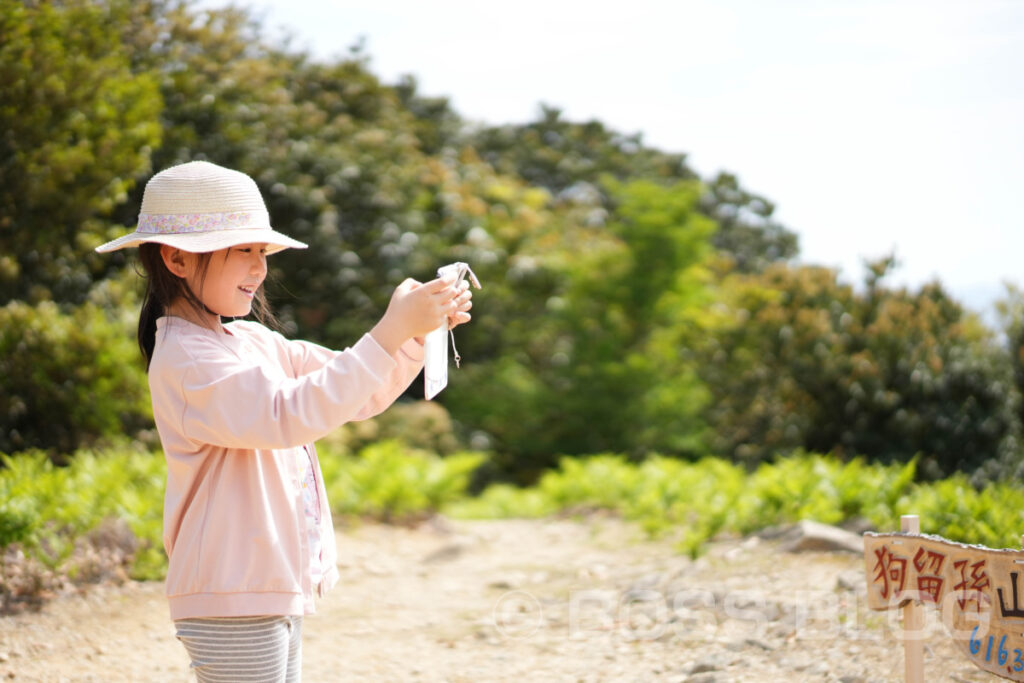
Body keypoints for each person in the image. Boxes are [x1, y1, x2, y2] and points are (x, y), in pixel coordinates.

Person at [95, 160, 473, 682]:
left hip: (264, 585)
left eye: (262, 251)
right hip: (230, 592)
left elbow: (352, 391)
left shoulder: (252, 342)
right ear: (178, 258)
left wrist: (416, 334)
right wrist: (390, 331)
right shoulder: (186, 359)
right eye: (242, 250)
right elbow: (287, 414)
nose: (260, 267)